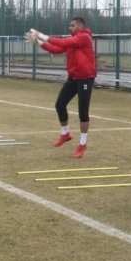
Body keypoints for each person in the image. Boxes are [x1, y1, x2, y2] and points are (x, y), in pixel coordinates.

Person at [26, 17, 96, 159]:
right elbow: (56, 49)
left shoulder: (84, 37)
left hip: (85, 78)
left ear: (80, 26)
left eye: (72, 25)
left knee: (83, 112)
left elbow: (62, 42)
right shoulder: (73, 38)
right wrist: (38, 43)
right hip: (73, 77)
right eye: (69, 25)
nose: (69, 27)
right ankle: (65, 134)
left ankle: (83, 143)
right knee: (60, 105)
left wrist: (40, 35)